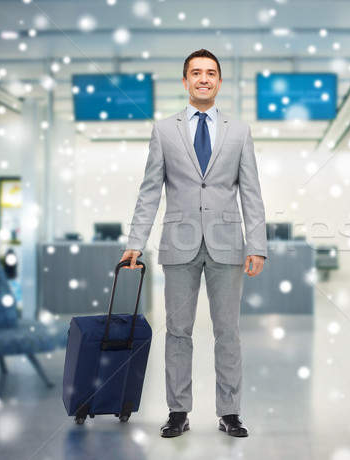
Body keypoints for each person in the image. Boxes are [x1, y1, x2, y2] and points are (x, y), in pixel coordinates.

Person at [120, 49, 267, 438]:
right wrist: (136, 240)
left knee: (228, 332)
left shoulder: (239, 131)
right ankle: (178, 411)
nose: (204, 78)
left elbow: (251, 192)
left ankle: (230, 411)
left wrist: (257, 244)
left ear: (219, 81)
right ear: (185, 81)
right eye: (196, 73)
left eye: (211, 73)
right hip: (179, 244)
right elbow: (150, 190)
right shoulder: (164, 130)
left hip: (228, 245)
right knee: (179, 331)